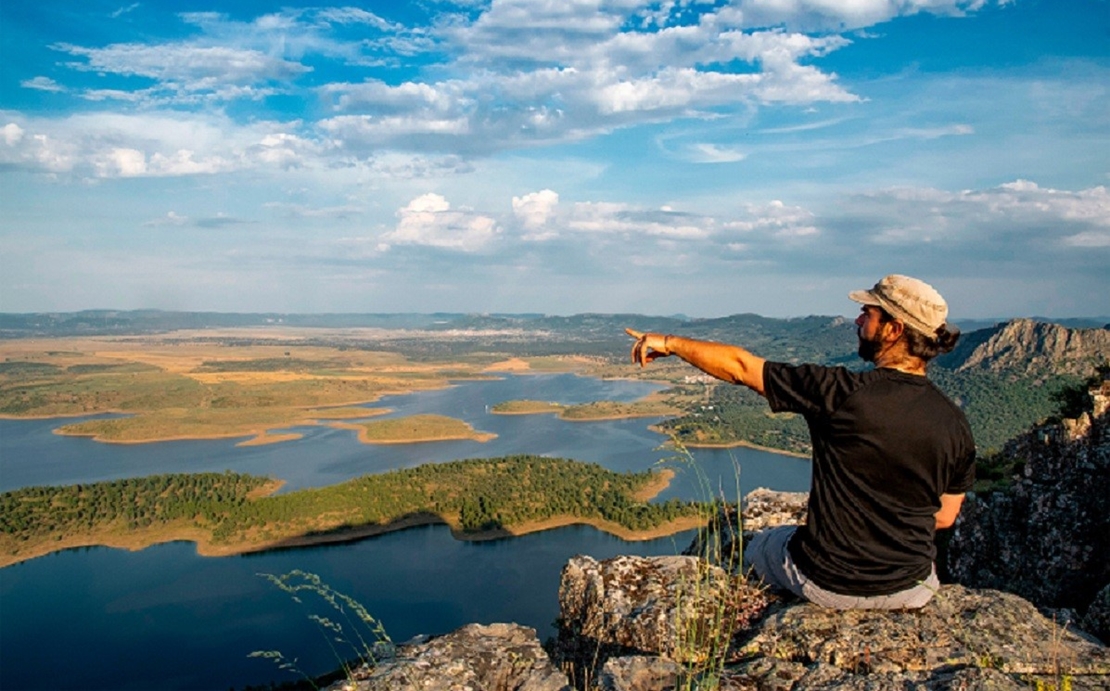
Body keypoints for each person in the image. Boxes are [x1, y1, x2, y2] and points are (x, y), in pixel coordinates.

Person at [626, 274, 975, 609]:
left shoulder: (840, 392)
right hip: (912, 589)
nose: (857, 320)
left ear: (894, 329)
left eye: (868, 314)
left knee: (758, 544)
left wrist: (669, 343)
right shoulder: (955, 423)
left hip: (829, 582)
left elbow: (741, 367)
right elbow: (945, 517)